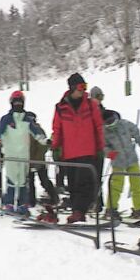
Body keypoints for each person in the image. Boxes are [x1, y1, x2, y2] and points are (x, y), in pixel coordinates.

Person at [51, 73, 104, 223]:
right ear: (73, 88)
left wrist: (100, 147)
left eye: (85, 87)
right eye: (81, 87)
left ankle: (80, 211)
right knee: (73, 184)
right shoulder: (61, 107)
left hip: (88, 150)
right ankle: (77, 211)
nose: (83, 90)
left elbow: (98, 126)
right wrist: (56, 146)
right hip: (70, 152)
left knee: (84, 183)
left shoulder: (90, 105)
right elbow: (57, 128)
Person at [0, 91, 46, 216]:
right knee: (11, 180)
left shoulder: (27, 120)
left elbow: (36, 133)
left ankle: (22, 204)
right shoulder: (6, 119)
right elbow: (0, 132)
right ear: (12, 103)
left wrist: (45, 141)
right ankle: (9, 203)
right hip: (11, 154)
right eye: (16, 102)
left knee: (22, 181)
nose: (18, 104)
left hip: (24, 155)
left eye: (20, 102)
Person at [102, 110, 140, 221]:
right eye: (107, 123)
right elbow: (104, 146)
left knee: (137, 184)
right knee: (116, 186)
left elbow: (136, 133)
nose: (110, 124)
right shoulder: (104, 131)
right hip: (118, 162)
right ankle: (111, 208)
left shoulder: (125, 124)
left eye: (111, 121)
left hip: (132, 159)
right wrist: (108, 152)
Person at [25, 112, 58, 211]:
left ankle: (54, 197)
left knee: (43, 180)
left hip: (38, 161)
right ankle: (31, 201)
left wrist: (35, 160)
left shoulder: (37, 130)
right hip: (29, 161)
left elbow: (43, 146)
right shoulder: (25, 131)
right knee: (30, 182)